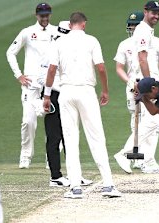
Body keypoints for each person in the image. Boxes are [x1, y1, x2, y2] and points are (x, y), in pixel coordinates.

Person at [43, 12, 122, 199]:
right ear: (84, 25)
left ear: (70, 25)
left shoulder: (59, 42)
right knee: (96, 137)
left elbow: (52, 69)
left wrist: (47, 96)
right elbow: (101, 67)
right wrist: (105, 90)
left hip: (66, 92)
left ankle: (75, 188)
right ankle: (108, 185)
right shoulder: (92, 41)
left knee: (70, 140)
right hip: (86, 91)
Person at [113, 10, 159, 174]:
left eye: (135, 25)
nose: (132, 29)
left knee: (154, 124)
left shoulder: (157, 41)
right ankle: (133, 157)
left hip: (153, 86)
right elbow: (119, 68)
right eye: (130, 26)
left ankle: (146, 160)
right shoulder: (124, 44)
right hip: (136, 86)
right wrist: (129, 82)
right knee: (139, 123)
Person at [39, 20, 93, 188]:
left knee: (70, 135)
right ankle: (55, 176)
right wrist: (47, 96)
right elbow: (44, 76)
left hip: (67, 95)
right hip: (54, 95)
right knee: (55, 136)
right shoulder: (53, 49)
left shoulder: (65, 47)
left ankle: (74, 175)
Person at [6, 3, 57, 169]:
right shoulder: (27, 32)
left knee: (53, 122)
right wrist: (19, 75)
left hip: (51, 82)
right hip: (31, 83)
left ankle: (52, 158)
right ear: (37, 15)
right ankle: (25, 156)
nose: (45, 18)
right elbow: (10, 53)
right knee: (28, 121)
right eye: (42, 15)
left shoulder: (56, 32)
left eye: (47, 15)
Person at [133, 1, 159, 78]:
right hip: (145, 80)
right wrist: (148, 82)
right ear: (145, 12)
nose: (156, 16)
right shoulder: (143, 30)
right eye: (153, 13)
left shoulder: (147, 30)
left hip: (150, 80)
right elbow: (142, 59)